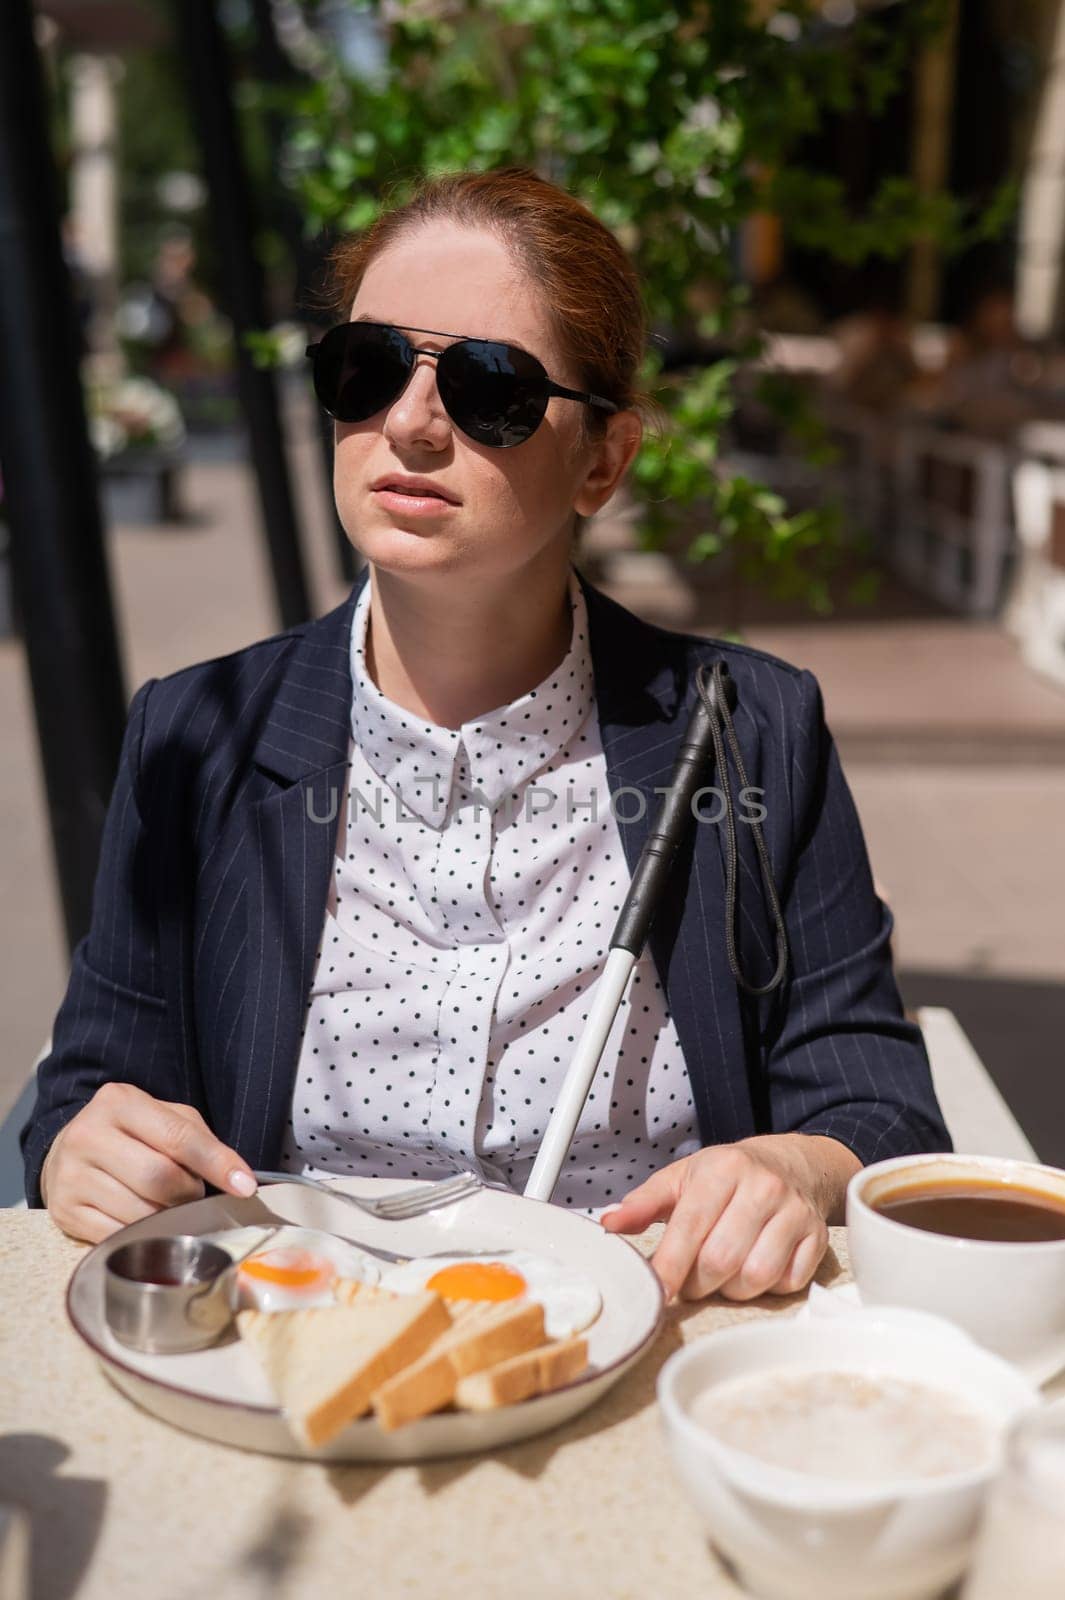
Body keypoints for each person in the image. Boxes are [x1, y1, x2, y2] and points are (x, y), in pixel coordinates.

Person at [21, 167, 950, 1304]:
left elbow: (880, 1104)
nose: (408, 422)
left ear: (603, 460)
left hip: (642, 1359)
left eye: (488, 387)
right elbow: (85, 1094)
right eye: (366, 369)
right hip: (293, 1367)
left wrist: (792, 1169)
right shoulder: (198, 736)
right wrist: (82, 1147)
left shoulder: (755, 730)